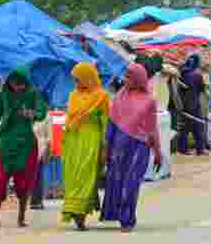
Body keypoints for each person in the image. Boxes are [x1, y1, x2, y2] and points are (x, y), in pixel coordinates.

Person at [0, 67, 48, 229]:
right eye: (15, 83)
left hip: (25, 145)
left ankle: (21, 217)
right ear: (9, 81)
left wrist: (30, 114)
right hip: (3, 142)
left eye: (22, 84)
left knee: (23, 183)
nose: (19, 87)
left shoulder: (33, 93)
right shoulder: (3, 94)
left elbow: (42, 112)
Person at [101, 63, 162, 232]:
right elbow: (111, 125)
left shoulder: (150, 101)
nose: (125, 80)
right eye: (125, 76)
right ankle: (118, 214)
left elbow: (152, 128)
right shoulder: (119, 96)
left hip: (139, 148)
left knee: (131, 183)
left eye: (129, 77)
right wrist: (106, 148)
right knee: (117, 182)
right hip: (118, 148)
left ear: (138, 79)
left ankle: (127, 219)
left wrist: (158, 152)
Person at [61, 62, 110, 231]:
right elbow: (69, 118)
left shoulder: (102, 96)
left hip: (91, 139)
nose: (76, 84)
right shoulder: (73, 95)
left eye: (78, 79)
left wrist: (105, 144)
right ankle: (74, 210)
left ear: (88, 78)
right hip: (73, 141)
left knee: (87, 174)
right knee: (73, 175)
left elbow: (105, 122)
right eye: (74, 80)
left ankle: (80, 214)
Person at [177, 54, 207, 155]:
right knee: (198, 127)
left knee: (184, 128)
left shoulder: (181, 73)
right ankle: (200, 150)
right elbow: (202, 89)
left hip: (184, 104)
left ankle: (183, 149)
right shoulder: (197, 75)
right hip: (194, 104)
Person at [30, 111, 53, 210]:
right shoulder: (25, 111)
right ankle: (32, 199)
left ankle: (36, 200)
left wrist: (48, 151)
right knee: (31, 175)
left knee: (37, 174)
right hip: (25, 146)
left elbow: (49, 136)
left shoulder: (46, 116)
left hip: (40, 147)